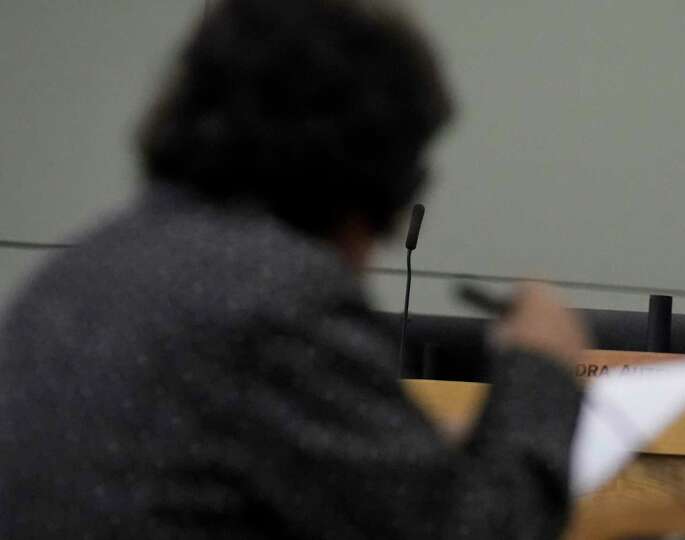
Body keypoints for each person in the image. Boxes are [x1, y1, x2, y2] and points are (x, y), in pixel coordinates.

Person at [0, 1, 590, 538]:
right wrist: (543, 370)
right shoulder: (272, 299)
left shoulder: (84, 269)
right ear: (371, 169)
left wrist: (412, 455)